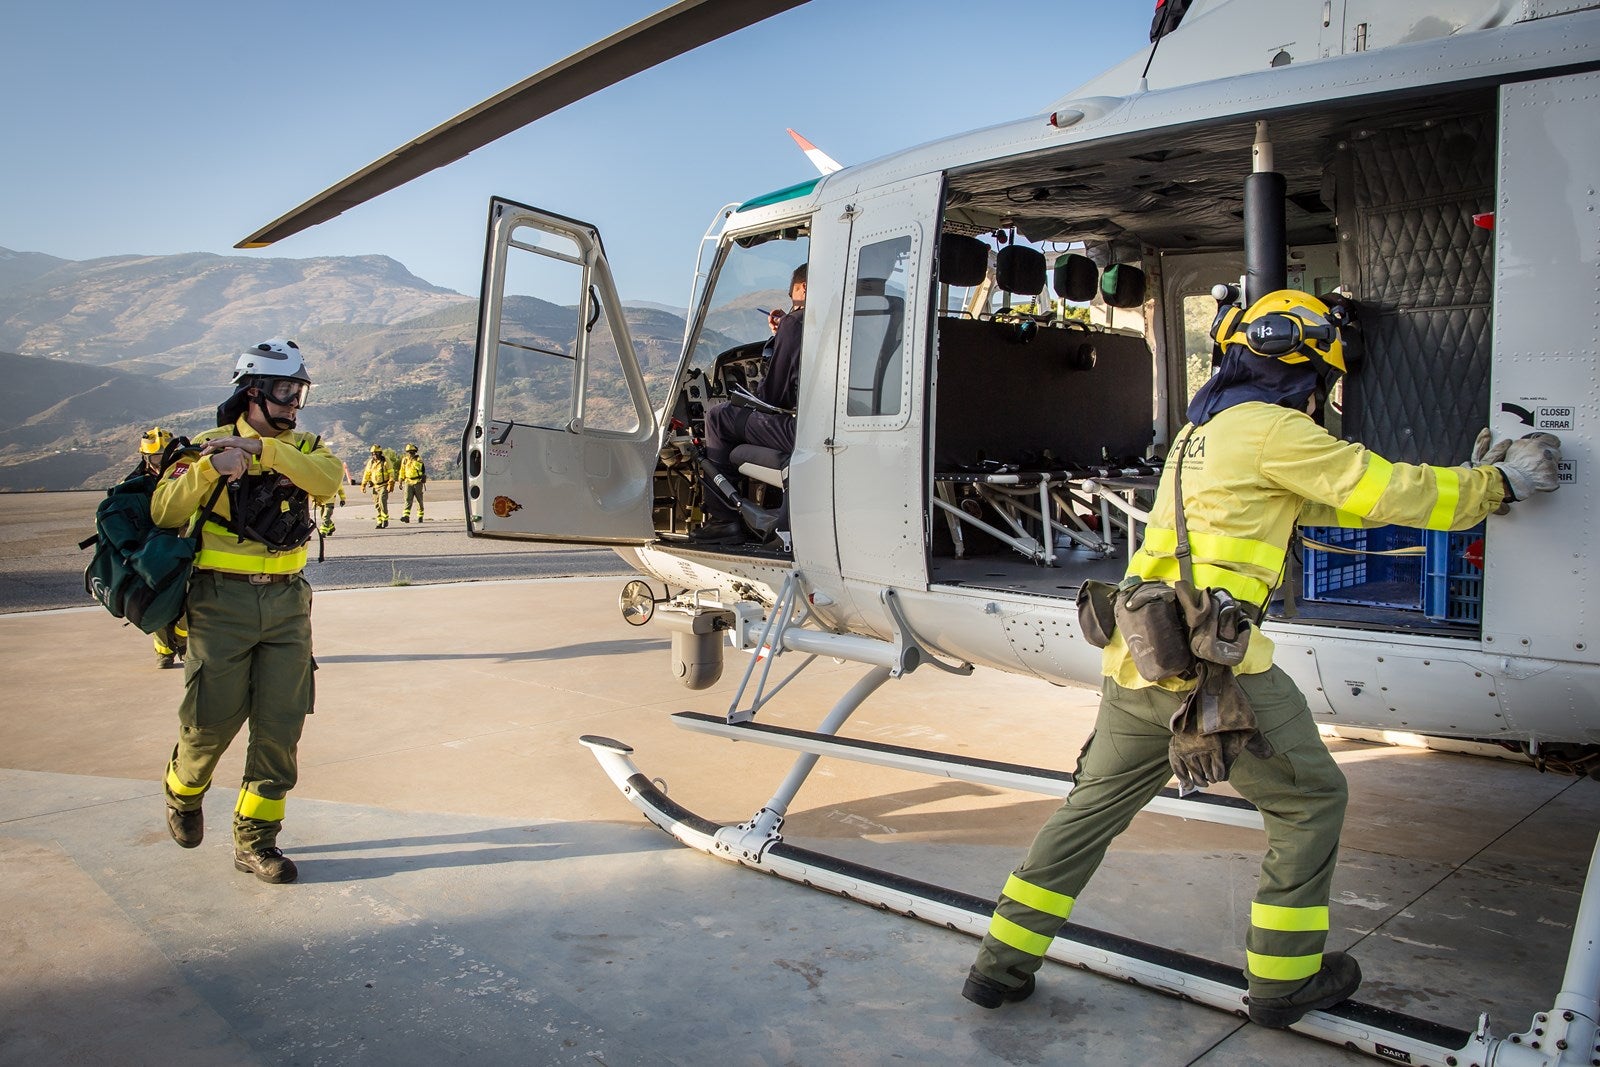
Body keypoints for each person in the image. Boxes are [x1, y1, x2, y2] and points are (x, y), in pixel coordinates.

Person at [962, 290, 1563, 1027]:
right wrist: (1499, 485)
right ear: (1304, 367)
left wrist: (1466, 486)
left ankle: (999, 964)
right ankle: (1284, 981)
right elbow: (1381, 489)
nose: (1321, 397)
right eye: (1322, 381)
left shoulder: (1202, 430)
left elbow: (1325, 502)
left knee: (1088, 811)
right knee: (1310, 801)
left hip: (1138, 659)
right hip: (1216, 675)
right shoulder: (1277, 430)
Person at [150, 338, 342, 884]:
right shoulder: (205, 447)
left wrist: (261, 452)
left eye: (299, 392)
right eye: (284, 391)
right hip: (220, 602)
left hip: (287, 602)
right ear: (251, 392)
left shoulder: (307, 446)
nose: (294, 403)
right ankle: (182, 790)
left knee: (280, 729)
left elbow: (327, 482)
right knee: (209, 723)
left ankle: (255, 843)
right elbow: (165, 512)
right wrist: (212, 468)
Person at [692, 262, 807, 543]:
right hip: (843, 427)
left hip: (805, 431)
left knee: (719, 418)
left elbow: (773, 397)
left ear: (802, 288)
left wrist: (785, 331)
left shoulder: (799, 321)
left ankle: (724, 520)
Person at [139, 426, 188, 668]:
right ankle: (164, 652)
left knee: (192, 601)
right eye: (157, 457)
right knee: (158, 603)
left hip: (182, 549)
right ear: (146, 458)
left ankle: (182, 638)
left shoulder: (184, 477)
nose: (162, 462)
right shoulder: (136, 485)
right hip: (153, 554)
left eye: (167, 456)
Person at [361, 445, 395, 529]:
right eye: (373, 453)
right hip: (375, 486)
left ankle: (385, 519)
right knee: (377, 504)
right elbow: (367, 473)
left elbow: (391, 472)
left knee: (382, 501)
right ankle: (379, 521)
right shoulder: (371, 462)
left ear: (380, 453)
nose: (375, 455)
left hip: (384, 485)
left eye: (376, 453)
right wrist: (363, 484)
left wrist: (391, 483)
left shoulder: (385, 461)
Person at [398, 443, 426, 523]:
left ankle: (420, 516)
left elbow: (420, 467)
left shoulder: (418, 459)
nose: (410, 454)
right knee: (407, 499)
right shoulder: (405, 460)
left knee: (419, 500)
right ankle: (406, 516)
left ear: (415, 452)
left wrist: (413, 461)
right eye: (409, 452)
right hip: (408, 482)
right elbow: (402, 471)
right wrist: (400, 481)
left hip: (417, 482)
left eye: (412, 452)